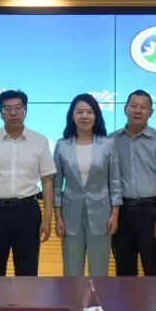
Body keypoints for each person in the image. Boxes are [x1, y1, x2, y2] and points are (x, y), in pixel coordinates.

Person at [0, 90, 55, 276]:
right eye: (7, 109)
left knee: (27, 272)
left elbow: (47, 180)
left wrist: (48, 218)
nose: (13, 113)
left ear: (25, 111)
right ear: (0, 113)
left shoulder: (39, 141)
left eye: (18, 108)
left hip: (27, 212)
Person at [52, 94, 122, 277]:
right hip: (70, 215)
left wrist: (115, 214)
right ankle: (73, 298)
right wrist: (58, 217)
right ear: (72, 116)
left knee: (99, 271)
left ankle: (96, 298)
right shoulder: (62, 145)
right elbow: (57, 186)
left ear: (96, 116)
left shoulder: (107, 144)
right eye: (79, 112)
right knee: (72, 271)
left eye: (90, 112)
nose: (85, 116)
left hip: (102, 214)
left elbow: (115, 182)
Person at [110, 90, 156, 276]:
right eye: (133, 106)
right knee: (124, 270)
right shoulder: (111, 140)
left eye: (143, 107)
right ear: (125, 109)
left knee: (153, 269)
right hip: (121, 211)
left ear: (151, 112)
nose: (138, 111)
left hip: (150, 211)